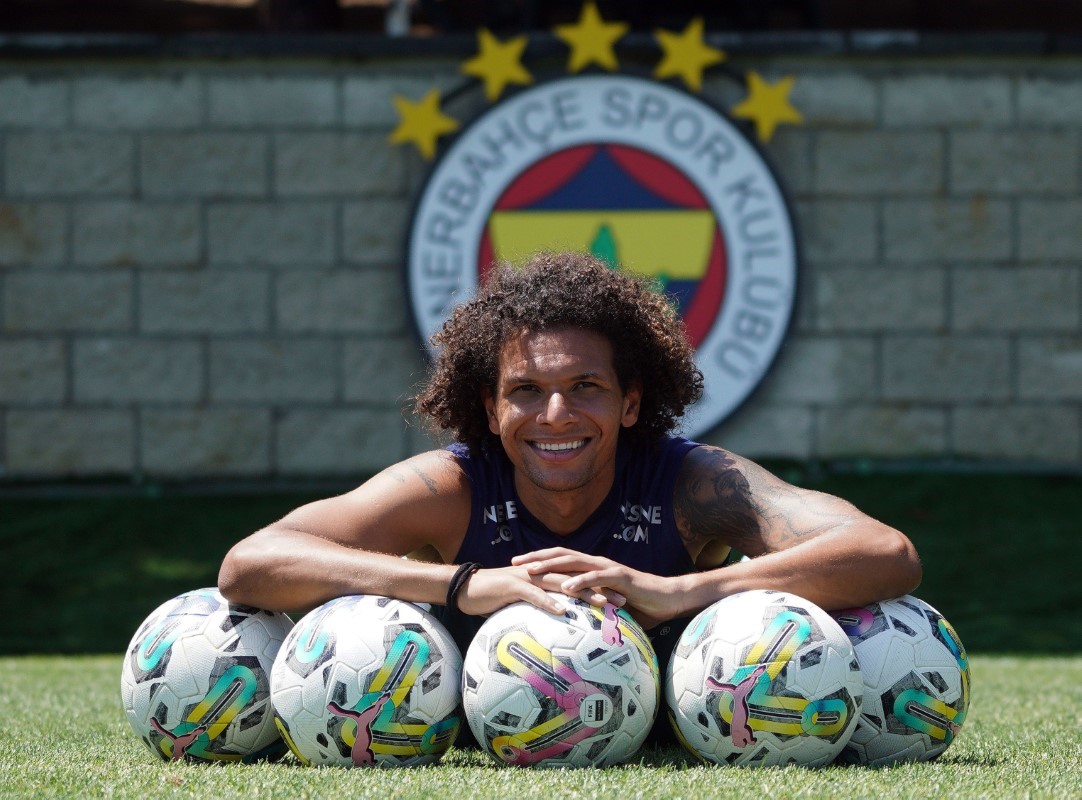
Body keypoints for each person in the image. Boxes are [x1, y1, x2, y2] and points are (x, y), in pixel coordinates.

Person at [218, 251, 921, 722]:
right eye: (526, 390)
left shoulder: (691, 483)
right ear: (491, 407)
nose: (555, 415)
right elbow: (249, 565)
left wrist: (679, 591)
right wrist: (462, 585)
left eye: (585, 386)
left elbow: (886, 552)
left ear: (631, 402)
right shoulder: (452, 486)